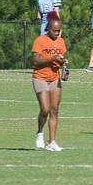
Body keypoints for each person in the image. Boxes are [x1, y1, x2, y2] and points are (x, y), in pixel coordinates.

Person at [31, 11, 67, 151]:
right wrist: (51, 59)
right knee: (45, 110)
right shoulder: (40, 40)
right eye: (54, 31)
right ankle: (39, 132)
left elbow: (62, 60)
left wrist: (64, 68)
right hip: (40, 77)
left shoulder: (61, 42)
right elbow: (35, 61)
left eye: (59, 31)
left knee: (55, 111)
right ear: (48, 28)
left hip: (54, 78)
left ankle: (51, 142)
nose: (57, 33)